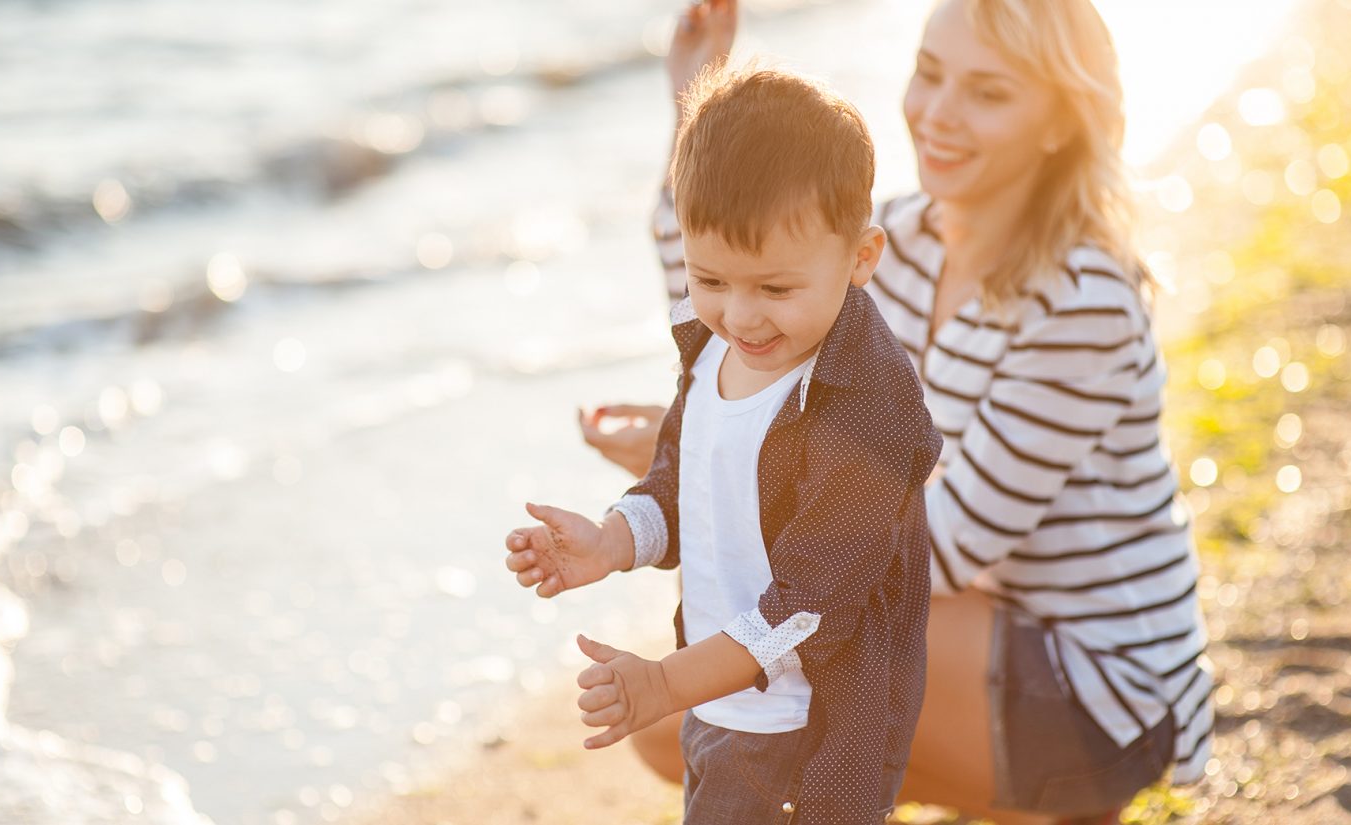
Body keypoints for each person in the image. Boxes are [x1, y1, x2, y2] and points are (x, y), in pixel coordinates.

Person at [580, 1, 1214, 823]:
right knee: (687, 704)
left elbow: (935, 547)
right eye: (929, 73)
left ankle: (1033, 794)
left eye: (987, 93)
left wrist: (730, 472)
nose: (938, 114)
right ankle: (983, 792)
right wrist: (692, 101)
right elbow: (745, 292)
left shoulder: (1081, 301)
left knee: (715, 676)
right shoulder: (903, 241)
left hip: (1096, 689)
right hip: (977, 633)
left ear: (1061, 121)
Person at [506, 66, 942, 823]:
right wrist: (611, 540)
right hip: (722, 696)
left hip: (810, 726)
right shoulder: (713, 351)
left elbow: (811, 602)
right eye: (712, 279)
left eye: (774, 289)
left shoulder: (865, 403)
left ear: (861, 256)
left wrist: (666, 684)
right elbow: (681, 482)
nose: (741, 316)